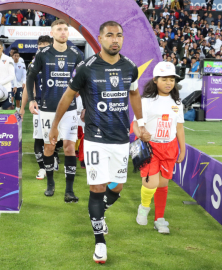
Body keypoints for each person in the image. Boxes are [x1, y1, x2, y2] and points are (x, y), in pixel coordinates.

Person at [47, 21, 149, 264]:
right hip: (95, 139)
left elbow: (134, 93)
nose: (115, 39)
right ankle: (100, 242)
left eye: (119, 35)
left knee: (117, 187)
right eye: (110, 35)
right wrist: (54, 125)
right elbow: (67, 96)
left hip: (121, 139)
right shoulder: (87, 67)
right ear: (100, 39)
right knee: (97, 188)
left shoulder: (130, 67)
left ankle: (99, 212)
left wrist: (141, 122)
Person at [26, 20, 83, 201]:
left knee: (68, 147)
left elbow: (85, 80)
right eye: (59, 29)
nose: (63, 32)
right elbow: (30, 76)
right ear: (52, 33)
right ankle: (50, 183)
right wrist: (32, 99)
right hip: (48, 108)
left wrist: (86, 104)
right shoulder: (43, 54)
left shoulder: (77, 54)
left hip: (70, 110)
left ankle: (69, 189)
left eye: (66, 29)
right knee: (49, 146)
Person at [134, 62, 185, 234]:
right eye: (164, 79)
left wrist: (182, 149)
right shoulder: (146, 101)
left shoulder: (177, 102)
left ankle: (159, 219)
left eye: (171, 79)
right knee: (151, 182)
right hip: (149, 147)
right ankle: (144, 207)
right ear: (155, 80)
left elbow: (179, 128)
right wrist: (141, 134)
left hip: (169, 148)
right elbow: (135, 124)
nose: (169, 83)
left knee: (163, 184)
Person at [20, 35, 52, 180]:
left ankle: (53, 159)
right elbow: (28, 87)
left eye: (46, 47)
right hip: (39, 106)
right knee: (39, 138)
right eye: (40, 47)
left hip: (57, 106)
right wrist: (22, 108)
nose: (43, 49)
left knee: (56, 138)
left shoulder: (58, 62)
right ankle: (42, 168)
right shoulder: (33, 65)